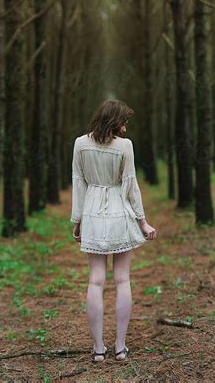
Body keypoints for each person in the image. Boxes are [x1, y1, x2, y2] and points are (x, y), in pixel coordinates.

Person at [70, 99, 157, 364]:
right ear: (114, 120)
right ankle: (120, 347)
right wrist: (142, 222)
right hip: (119, 212)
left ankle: (98, 350)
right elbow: (130, 185)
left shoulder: (79, 144)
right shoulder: (125, 147)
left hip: (93, 214)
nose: (126, 126)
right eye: (124, 121)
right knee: (122, 280)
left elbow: (78, 182)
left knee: (95, 280)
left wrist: (78, 220)